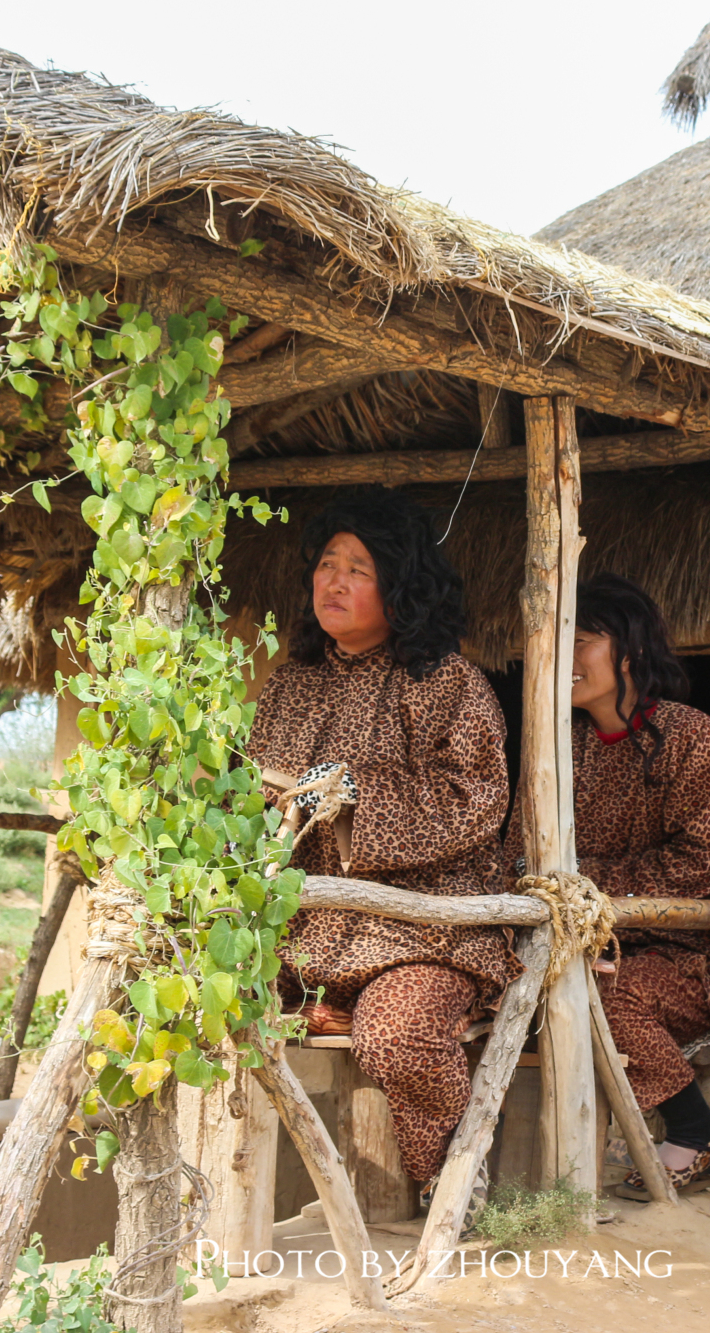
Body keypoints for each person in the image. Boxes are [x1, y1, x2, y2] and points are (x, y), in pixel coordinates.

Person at [246, 489, 517, 1212]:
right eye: (327, 564)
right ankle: (227, 1200)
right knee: (208, 1002)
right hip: (304, 932)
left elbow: (478, 797)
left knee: (397, 1034)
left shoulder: (447, 683)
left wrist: (356, 794)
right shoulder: (288, 685)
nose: (333, 581)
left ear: (398, 585)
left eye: (357, 569)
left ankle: (451, 1177)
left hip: (422, 929)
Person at [506, 573, 710, 1192]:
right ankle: (516, 1171)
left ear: (633, 652)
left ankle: (696, 1134)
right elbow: (520, 854)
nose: (566, 658)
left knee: (609, 996)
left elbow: (702, 860)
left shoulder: (693, 738)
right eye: (560, 641)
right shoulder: (554, 749)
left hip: (692, 952)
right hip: (577, 943)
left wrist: (584, 891)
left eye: (584, 640)